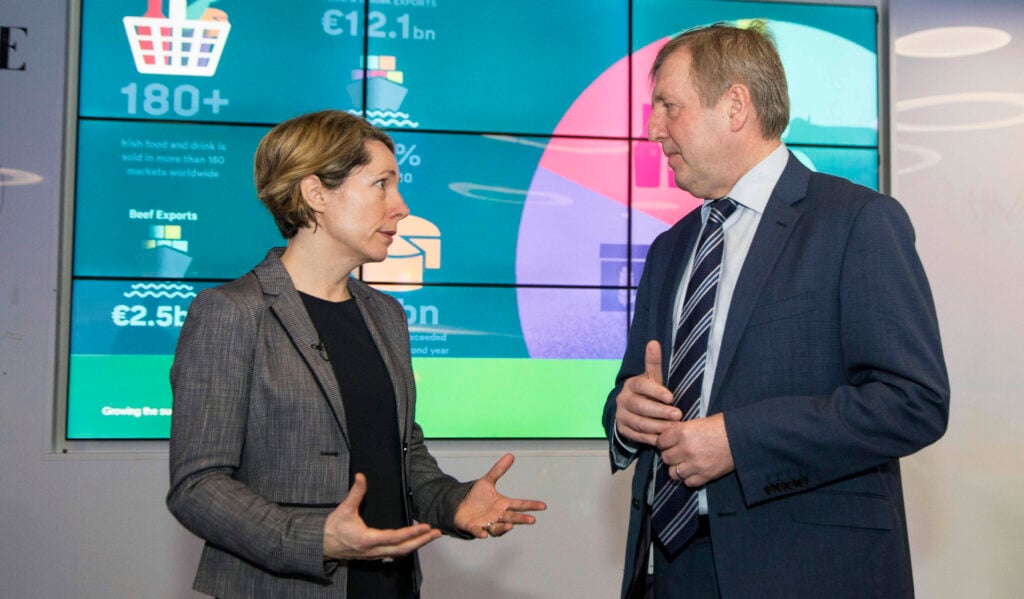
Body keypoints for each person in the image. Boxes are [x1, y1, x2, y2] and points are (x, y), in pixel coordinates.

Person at [604, 22, 949, 598]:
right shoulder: (669, 249)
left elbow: (913, 402)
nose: (653, 129)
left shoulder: (857, 222)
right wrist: (624, 416)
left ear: (735, 106)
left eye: (669, 106)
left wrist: (739, 439)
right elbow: (632, 388)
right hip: (678, 571)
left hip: (810, 574)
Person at [167, 110, 546, 598]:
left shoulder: (385, 314)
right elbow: (197, 486)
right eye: (381, 185)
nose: (401, 207)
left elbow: (398, 452)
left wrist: (452, 502)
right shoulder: (232, 312)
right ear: (316, 193)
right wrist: (314, 539)